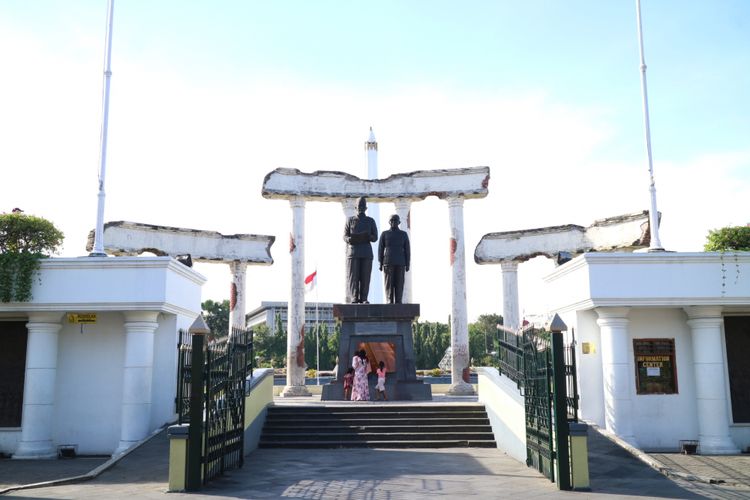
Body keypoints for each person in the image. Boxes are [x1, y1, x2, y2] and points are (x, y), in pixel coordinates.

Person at [344, 197, 378, 304]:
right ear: (355, 207)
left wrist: (369, 237)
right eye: (359, 206)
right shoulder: (350, 220)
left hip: (366, 252)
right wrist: (349, 239)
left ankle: (364, 298)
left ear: (366, 208)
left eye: (362, 206)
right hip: (353, 252)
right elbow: (345, 236)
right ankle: (354, 297)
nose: (360, 208)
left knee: (365, 277)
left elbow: (375, 237)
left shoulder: (370, 221)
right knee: (353, 277)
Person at [378, 214, 410, 304]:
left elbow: (407, 250)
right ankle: (389, 301)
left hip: (400, 262)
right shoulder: (384, 234)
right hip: (388, 262)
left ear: (399, 222)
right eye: (392, 220)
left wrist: (408, 264)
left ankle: (399, 301)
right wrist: (380, 263)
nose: (393, 222)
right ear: (389, 222)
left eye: (395, 220)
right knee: (389, 284)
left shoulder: (403, 234)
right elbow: (380, 249)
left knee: (399, 284)